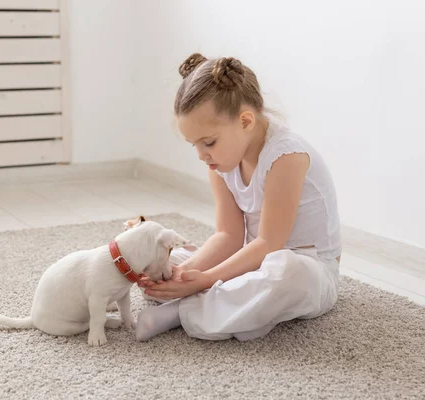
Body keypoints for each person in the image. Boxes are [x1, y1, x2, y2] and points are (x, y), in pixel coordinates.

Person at [135, 53, 342, 342]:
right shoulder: (219, 164)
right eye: (194, 145)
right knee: (171, 259)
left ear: (245, 121)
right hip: (254, 256)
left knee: (288, 273)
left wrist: (205, 279)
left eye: (208, 142)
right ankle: (210, 294)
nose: (201, 154)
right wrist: (182, 273)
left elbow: (270, 244)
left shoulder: (286, 157)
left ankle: (182, 311)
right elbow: (228, 235)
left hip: (307, 268)